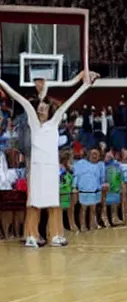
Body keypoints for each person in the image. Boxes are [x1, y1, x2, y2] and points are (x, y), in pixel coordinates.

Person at [0, 71, 99, 247]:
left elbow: (70, 101)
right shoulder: (32, 120)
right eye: (40, 108)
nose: (41, 110)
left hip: (51, 168)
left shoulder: (54, 122)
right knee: (35, 204)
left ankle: (55, 236)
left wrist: (85, 85)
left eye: (45, 108)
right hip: (37, 168)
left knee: (54, 203)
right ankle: (31, 236)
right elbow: (16, 96)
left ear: (50, 110)